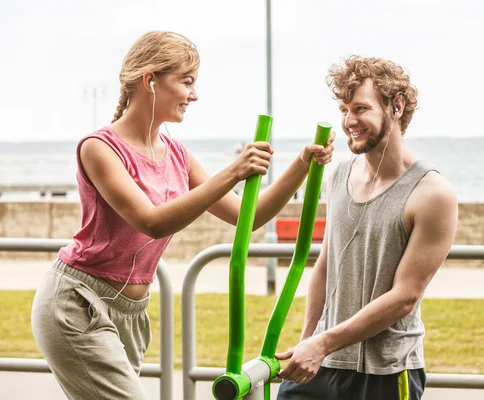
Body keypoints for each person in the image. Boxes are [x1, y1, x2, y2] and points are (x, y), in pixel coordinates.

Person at [30, 31, 335, 400]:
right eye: (187, 82)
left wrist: (301, 165)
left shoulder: (176, 153)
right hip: (78, 304)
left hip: (131, 312)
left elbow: (247, 217)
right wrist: (233, 172)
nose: (194, 95)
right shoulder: (99, 148)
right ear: (150, 81)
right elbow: (151, 222)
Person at [275, 56, 458, 400]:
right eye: (344, 110)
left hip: (385, 373)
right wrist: (309, 341)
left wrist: (323, 343)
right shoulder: (340, 174)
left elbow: (405, 297)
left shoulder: (433, 194)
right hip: (321, 362)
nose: (348, 121)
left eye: (360, 109)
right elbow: (325, 267)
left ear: (396, 106)